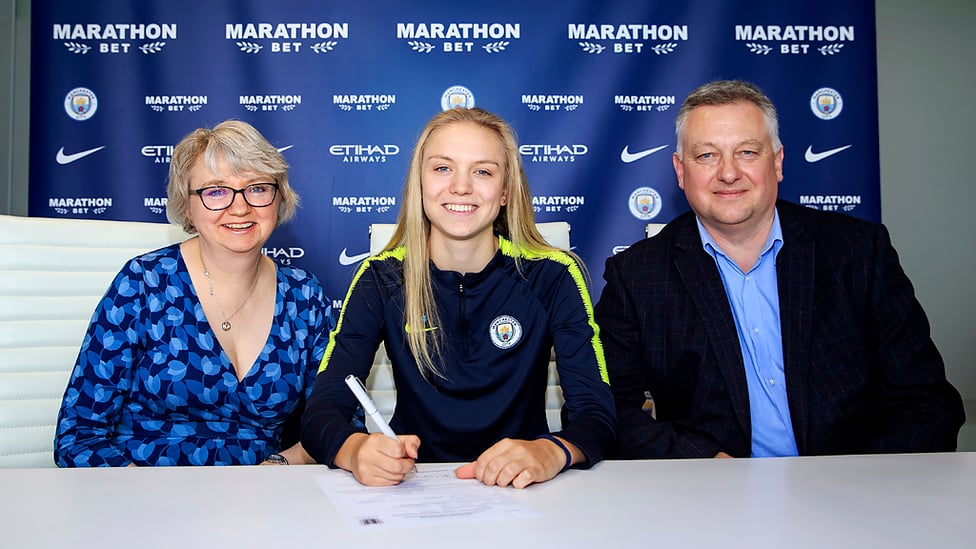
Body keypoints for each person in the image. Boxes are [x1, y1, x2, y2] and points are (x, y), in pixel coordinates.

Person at [595, 80, 965, 459]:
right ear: (680, 170)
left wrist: (867, 483)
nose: (728, 173)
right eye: (707, 155)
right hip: (714, 502)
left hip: (857, 495)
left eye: (747, 152)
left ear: (777, 162)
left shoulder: (858, 252)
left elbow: (926, 401)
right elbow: (605, 409)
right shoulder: (637, 276)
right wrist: (700, 463)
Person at [302, 107, 615, 488]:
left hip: (525, 489)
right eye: (442, 168)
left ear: (505, 192)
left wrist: (553, 451)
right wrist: (354, 450)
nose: (461, 187)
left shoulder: (554, 274)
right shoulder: (380, 278)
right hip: (412, 489)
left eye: (482, 171)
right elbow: (322, 410)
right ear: (419, 183)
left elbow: (597, 414)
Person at [54, 119, 333, 466]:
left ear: (279, 197)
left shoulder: (304, 297)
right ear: (187, 207)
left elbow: (338, 423)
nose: (240, 207)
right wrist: (149, 503)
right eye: (216, 191)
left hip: (259, 504)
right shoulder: (143, 283)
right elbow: (78, 434)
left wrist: (278, 468)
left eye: (258, 188)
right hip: (142, 497)